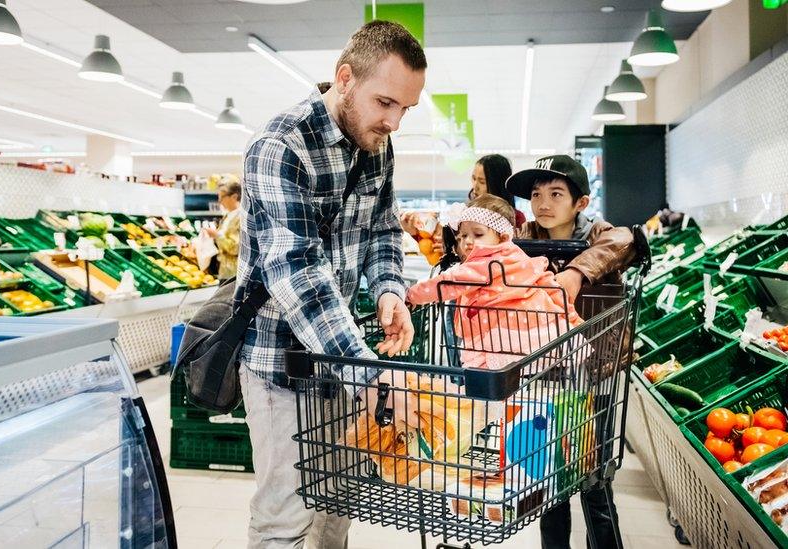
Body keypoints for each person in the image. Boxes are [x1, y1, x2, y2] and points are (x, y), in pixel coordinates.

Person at [237, 20, 426, 548]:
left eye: (405, 109)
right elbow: (298, 275)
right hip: (280, 362)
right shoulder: (280, 147)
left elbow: (383, 229)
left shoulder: (377, 145)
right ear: (345, 78)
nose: (394, 121)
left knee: (336, 507)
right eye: (385, 102)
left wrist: (389, 288)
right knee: (284, 520)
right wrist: (369, 376)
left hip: (337, 358)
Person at [505, 154, 635, 549]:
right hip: (545, 378)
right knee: (551, 484)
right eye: (536, 194)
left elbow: (627, 240)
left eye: (556, 193)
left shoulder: (600, 234)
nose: (543, 203)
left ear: (580, 203)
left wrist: (575, 273)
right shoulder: (522, 238)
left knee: (595, 480)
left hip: (595, 374)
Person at [406, 194, 582, 371]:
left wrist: (411, 295)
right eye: (463, 235)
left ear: (503, 238)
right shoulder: (518, 256)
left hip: (500, 339)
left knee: (486, 387)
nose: (467, 241)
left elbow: (447, 283)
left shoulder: (486, 265)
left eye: (478, 234)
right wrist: (572, 319)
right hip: (539, 333)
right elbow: (550, 286)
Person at [204, 179, 242, 280]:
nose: (219, 201)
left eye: (222, 197)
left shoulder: (241, 218)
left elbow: (236, 248)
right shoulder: (227, 216)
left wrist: (216, 235)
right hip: (224, 271)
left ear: (234, 196)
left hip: (234, 274)